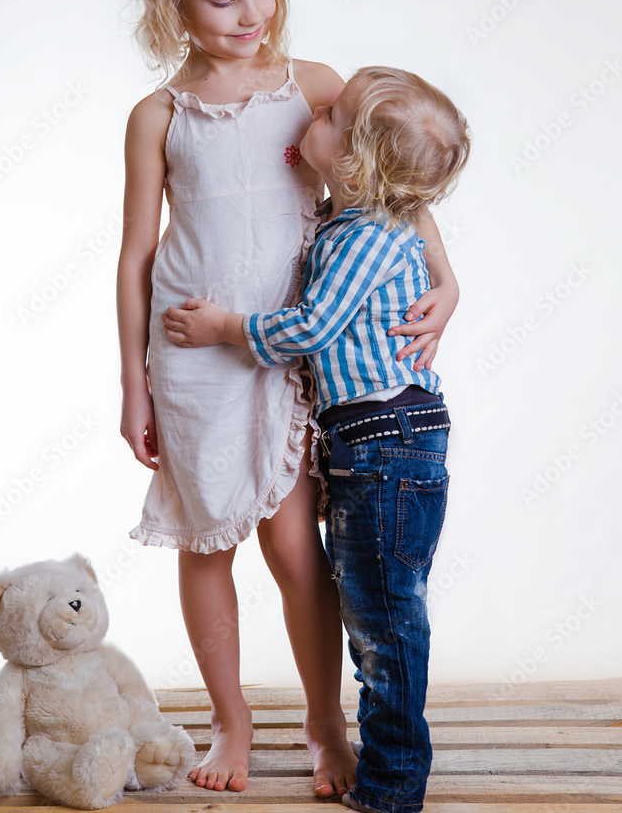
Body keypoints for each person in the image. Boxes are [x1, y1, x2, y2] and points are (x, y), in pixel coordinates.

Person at [117, 0, 459, 797]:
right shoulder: (160, 116)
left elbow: (395, 185)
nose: (248, 12)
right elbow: (136, 259)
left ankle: (323, 723)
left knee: (298, 550)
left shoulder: (313, 89)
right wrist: (133, 386)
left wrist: (447, 278)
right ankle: (230, 724)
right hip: (194, 353)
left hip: (292, 354)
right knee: (205, 544)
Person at [164, 65, 470, 813]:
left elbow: (306, 328)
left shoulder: (361, 239)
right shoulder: (354, 216)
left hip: (382, 442)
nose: (318, 111)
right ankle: (379, 757)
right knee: (377, 607)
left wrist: (223, 328)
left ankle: (392, 780)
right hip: (376, 441)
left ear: (354, 164)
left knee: (383, 616)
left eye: (330, 118)